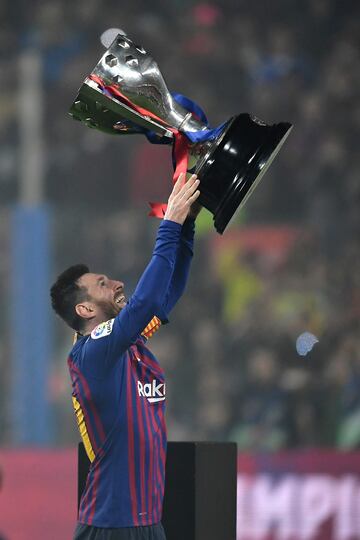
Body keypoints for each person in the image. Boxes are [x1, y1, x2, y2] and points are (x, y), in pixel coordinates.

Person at [50, 173, 201, 540]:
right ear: (85, 309)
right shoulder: (91, 354)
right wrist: (169, 226)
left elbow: (167, 294)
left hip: (149, 525)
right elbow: (147, 301)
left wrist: (188, 228)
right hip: (110, 528)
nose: (117, 283)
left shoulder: (129, 345)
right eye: (103, 283)